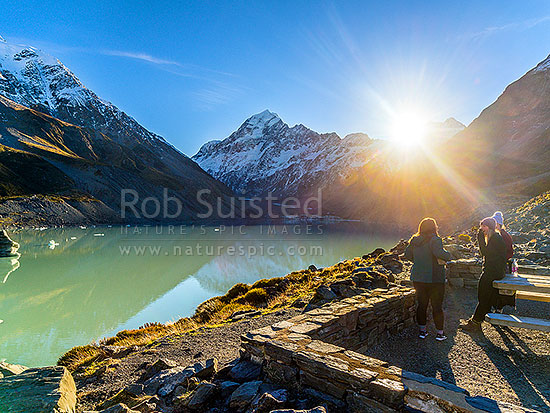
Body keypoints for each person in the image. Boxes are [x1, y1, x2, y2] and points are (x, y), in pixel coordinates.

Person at [404, 217, 451, 341]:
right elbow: (439, 253)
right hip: (435, 278)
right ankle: (440, 334)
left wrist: (418, 261)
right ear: (434, 227)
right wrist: (449, 255)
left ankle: (422, 332)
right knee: (437, 306)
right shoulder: (435, 240)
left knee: (422, 305)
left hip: (418, 278)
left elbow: (407, 255)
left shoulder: (414, 240)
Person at [460, 217, 507, 332]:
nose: (482, 229)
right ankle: (476, 321)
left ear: (489, 226)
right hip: (494, 271)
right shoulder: (495, 238)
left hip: (492, 272)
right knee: (484, 297)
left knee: (483, 296)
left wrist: (480, 238)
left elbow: (485, 253)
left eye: (484, 226)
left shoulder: (495, 238)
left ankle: (475, 323)